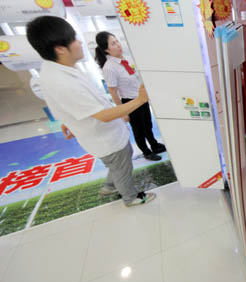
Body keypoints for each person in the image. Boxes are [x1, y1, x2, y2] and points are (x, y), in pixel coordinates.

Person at [26, 16, 155, 207]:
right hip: (106, 137)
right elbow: (103, 116)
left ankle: (110, 186)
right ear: (60, 49)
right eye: (75, 40)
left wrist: (67, 120)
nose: (80, 43)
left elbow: (66, 103)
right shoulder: (62, 82)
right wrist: (141, 99)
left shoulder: (56, 69)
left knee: (118, 163)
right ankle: (131, 197)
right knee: (121, 165)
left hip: (102, 133)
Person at [95, 31, 166, 161]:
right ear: (106, 49)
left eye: (117, 41)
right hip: (129, 102)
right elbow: (113, 91)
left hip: (141, 99)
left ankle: (154, 144)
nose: (118, 45)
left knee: (148, 125)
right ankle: (146, 151)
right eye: (113, 43)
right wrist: (122, 112)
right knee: (139, 130)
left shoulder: (125, 60)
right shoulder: (109, 68)